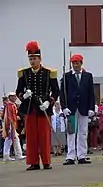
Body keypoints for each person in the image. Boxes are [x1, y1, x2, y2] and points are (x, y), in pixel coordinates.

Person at [16, 41, 59, 170]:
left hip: (43, 107)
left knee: (44, 136)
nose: (32, 61)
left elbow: (56, 91)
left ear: (40, 59)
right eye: (30, 59)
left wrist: (49, 102)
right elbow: (18, 91)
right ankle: (33, 162)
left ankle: (46, 161)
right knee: (31, 136)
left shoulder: (48, 73)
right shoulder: (24, 73)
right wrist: (24, 96)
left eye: (34, 58)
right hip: (30, 108)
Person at [60, 54, 95, 165]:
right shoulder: (67, 76)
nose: (75, 65)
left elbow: (91, 93)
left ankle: (82, 155)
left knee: (83, 133)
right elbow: (63, 93)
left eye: (77, 63)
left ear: (81, 63)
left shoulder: (88, 76)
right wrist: (64, 107)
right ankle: (70, 156)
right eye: (73, 63)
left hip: (84, 108)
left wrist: (91, 107)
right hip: (71, 108)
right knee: (71, 133)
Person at [2, 92, 26, 161]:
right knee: (9, 140)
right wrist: (15, 118)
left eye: (15, 96)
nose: (14, 98)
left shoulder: (12, 105)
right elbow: (9, 116)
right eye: (13, 97)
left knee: (15, 140)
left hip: (12, 125)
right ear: (10, 97)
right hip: (10, 125)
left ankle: (18, 154)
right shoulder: (9, 105)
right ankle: (7, 155)